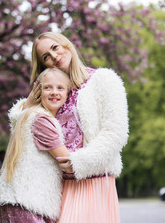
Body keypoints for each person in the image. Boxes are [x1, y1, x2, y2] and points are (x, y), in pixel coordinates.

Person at [9, 32, 129, 223]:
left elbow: (115, 133)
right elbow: (26, 130)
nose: (54, 56)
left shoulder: (104, 80)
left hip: (93, 182)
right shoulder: (53, 91)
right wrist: (28, 106)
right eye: (46, 57)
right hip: (58, 187)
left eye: (55, 47)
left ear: (66, 45)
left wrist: (79, 162)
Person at [0, 68, 73, 223]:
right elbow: (69, 163)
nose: (54, 92)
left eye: (60, 88)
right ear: (38, 91)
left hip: (20, 201)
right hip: (28, 204)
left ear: (67, 93)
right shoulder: (42, 121)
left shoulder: (31, 116)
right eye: (47, 87)